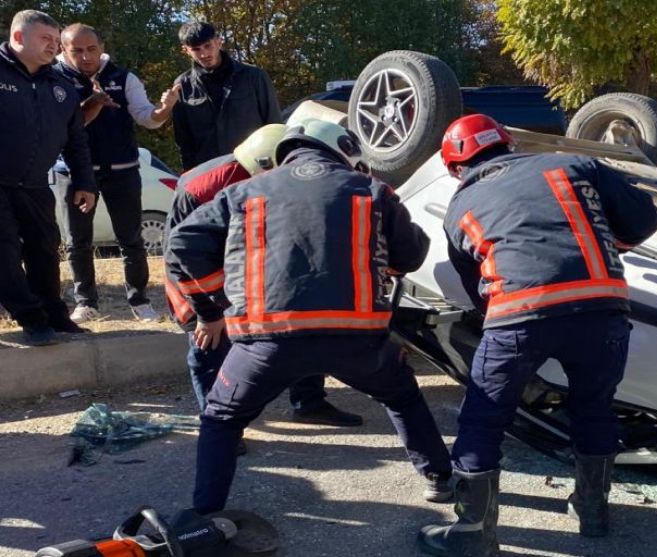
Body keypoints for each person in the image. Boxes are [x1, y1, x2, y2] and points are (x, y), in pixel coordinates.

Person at [165, 120, 452, 514]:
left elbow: (180, 245)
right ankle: (439, 478)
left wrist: (212, 305)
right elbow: (411, 255)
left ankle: (204, 516)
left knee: (221, 419)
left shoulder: (241, 192)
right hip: (357, 339)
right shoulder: (371, 191)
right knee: (402, 397)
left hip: (266, 340)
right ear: (346, 153)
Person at [418, 115, 657, 556]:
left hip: (518, 315)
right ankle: (593, 513)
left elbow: (477, 288)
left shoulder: (460, 207)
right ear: (508, 143)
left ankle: (473, 534)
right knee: (593, 408)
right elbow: (644, 220)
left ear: (456, 167)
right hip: (602, 308)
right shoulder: (571, 165)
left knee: (484, 418)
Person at [164, 123, 363, 440]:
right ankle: (219, 425)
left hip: (251, 267)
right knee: (208, 345)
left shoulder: (283, 178)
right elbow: (180, 255)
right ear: (267, 164)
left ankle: (309, 403)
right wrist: (208, 313)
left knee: (301, 328)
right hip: (199, 272)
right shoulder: (202, 189)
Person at [54, 23, 181, 323]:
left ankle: (140, 300)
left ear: (101, 47)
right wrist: (93, 105)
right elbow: (57, 130)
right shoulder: (53, 79)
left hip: (122, 170)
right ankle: (86, 302)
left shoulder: (124, 78)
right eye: (77, 51)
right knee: (77, 241)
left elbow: (148, 118)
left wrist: (164, 109)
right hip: (72, 173)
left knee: (131, 239)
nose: (86, 57)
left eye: (91, 49)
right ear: (63, 50)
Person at [0, 10, 96, 346]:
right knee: (5, 252)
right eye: (46, 39)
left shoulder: (61, 86)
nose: (53, 47)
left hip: (37, 183)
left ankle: (54, 313)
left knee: (45, 249)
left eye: (56, 41)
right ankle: (31, 318)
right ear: (17, 37)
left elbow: (77, 140)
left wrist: (85, 182)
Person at [171, 21, 280, 171]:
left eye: (208, 45)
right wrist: (189, 175)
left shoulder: (253, 76)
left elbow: (274, 125)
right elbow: (183, 140)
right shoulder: (182, 86)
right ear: (186, 50)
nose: (204, 54)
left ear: (219, 42)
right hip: (209, 173)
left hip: (253, 168)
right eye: (196, 49)